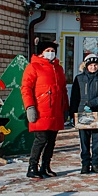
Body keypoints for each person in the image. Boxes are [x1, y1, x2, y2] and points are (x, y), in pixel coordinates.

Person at [21, 41, 69, 179]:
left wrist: (65, 107)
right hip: (41, 110)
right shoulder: (33, 67)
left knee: (52, 140)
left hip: (55, 110)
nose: (50, 52)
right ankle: (32, 167)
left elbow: (63, 90)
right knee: (41, 139)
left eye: (52, 50)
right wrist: (30, 107)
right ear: (41, 52)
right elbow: (26, 88)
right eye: (47, 50)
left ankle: (45, 166)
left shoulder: (58, 68)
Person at [69, 54, 98, 174]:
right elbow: (74, 97)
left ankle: (96, 163)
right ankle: (85, 164)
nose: (93, 67)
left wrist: (92, 103)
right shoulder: (79, 78)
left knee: (97, 140)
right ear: (86, 66)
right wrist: (72, 113)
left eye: (95, 65)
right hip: (83, 112)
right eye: (91, 65)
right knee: (84, 140)